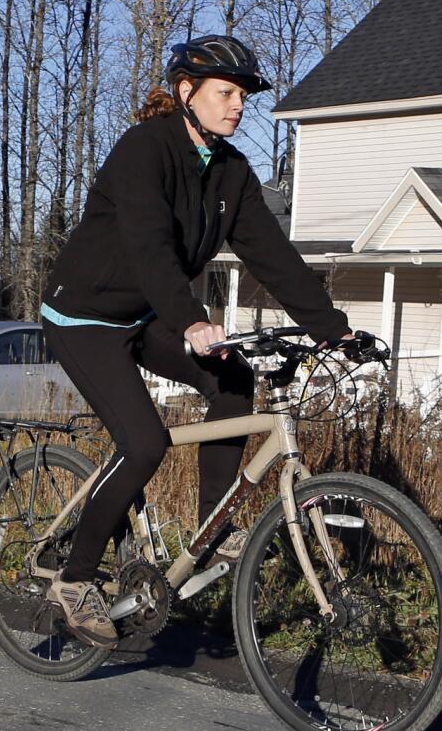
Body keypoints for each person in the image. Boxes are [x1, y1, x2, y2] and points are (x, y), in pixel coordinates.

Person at [39, 34, 352, 648]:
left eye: (243, 96)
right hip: (84, 316)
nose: (237, 106)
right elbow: (150, 248)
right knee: (145, 442)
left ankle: (212, 527)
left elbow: (274, 256)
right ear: (187, 92)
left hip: (145, 315)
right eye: (225, 93)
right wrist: (191, 320)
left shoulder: (232, 172)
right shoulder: (144, 150)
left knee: (234, 376)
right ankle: (75, 580)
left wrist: (334, 329)